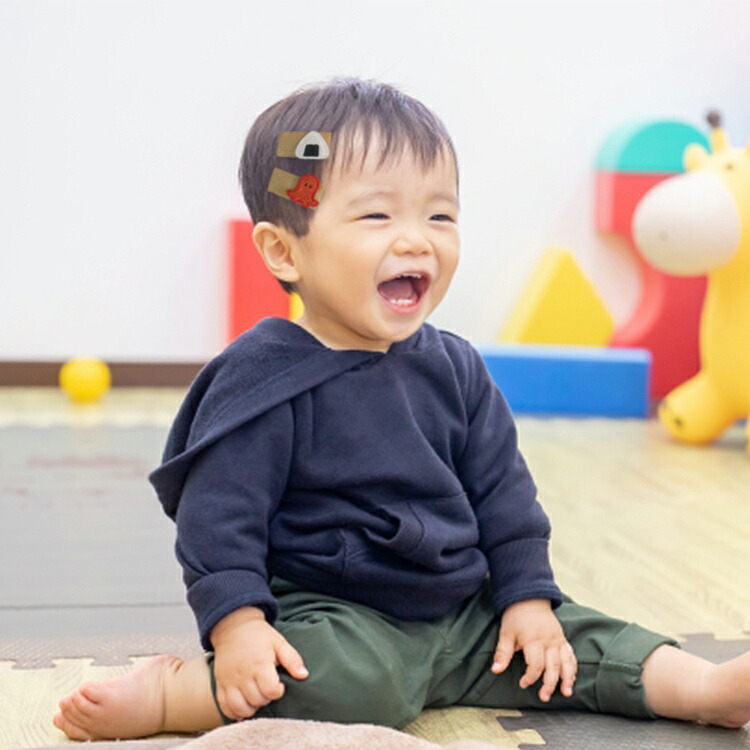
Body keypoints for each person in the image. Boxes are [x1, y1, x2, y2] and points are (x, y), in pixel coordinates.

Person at [53, 77, 750, 741]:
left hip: (467, 612)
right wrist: (237, 627)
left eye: (440, 215)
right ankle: (179, 689)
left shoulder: (456, 368)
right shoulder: (263, 379)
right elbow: (219, 521)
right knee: (338, 686)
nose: (417, 238)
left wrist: (527, 599)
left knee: (569, 642)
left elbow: (506, 498)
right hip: (339, 615)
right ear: (283, 250)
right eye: (378, 215)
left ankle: (702, 689)